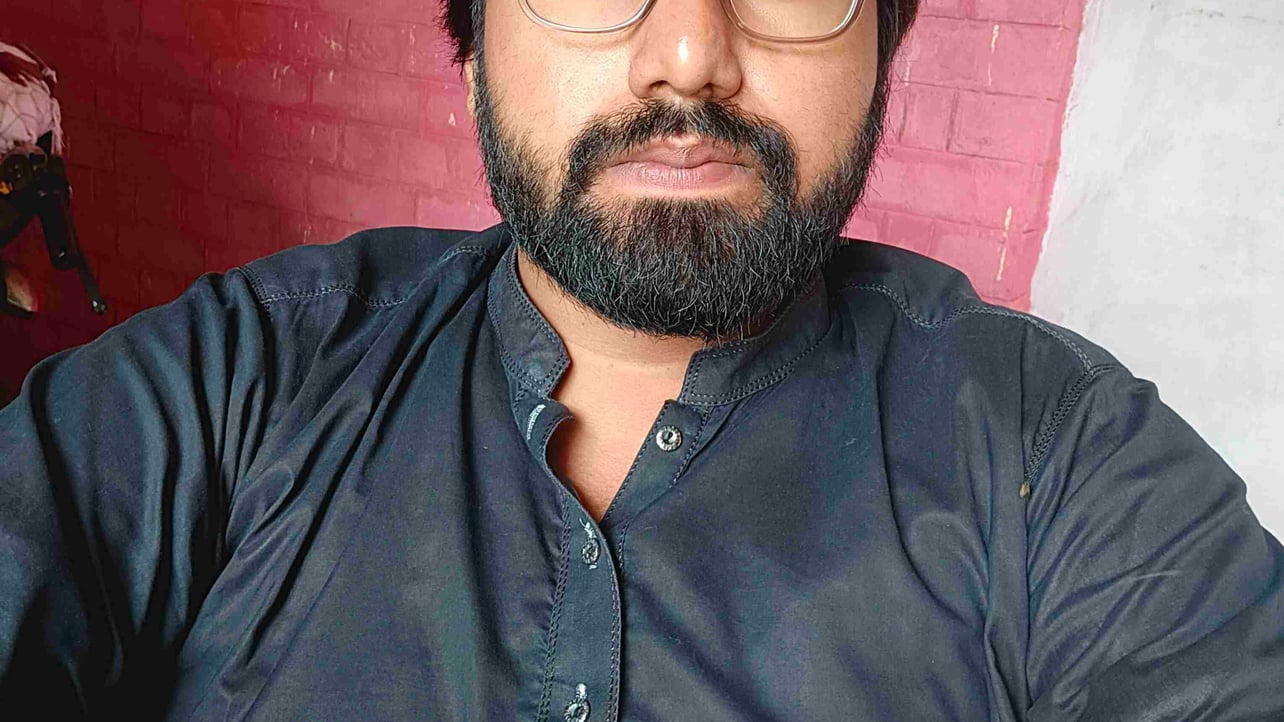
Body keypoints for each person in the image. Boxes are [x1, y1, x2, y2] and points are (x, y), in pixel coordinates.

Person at [2, 0, 1281, 718]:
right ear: (472, 43)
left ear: (886, 46)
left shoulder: (1063, 461)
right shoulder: (239, 377)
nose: (688, 55)